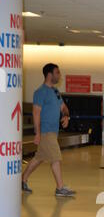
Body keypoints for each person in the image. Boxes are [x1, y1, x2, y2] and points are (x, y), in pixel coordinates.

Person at [22, 63, 75, 197]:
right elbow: (36, 113)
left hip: (53, 131)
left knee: (39, 158)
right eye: (57, 72)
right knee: (55, 157)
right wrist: (37, 133)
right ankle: (60, 188)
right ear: (49, 75)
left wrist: (66, 116)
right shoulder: (40, 92)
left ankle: (22, 180)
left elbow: (64, 107)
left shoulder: (55, 92)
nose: (59, 75)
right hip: (46, 131)